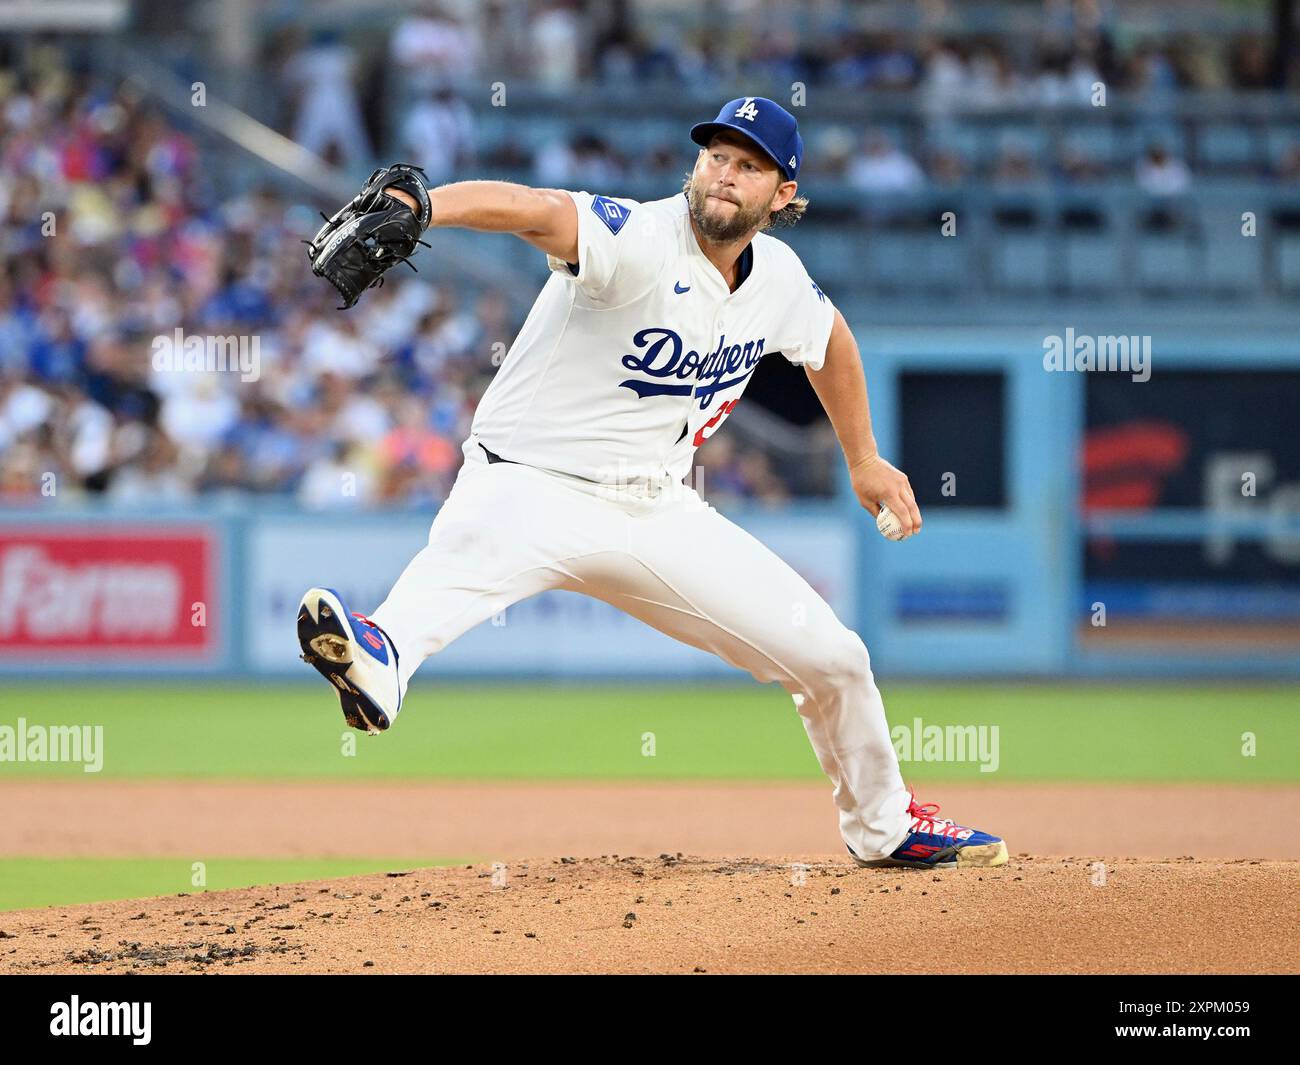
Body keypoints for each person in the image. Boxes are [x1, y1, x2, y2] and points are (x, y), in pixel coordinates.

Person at [296, 97, 1007, 870]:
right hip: (527, 483)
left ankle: (885, 825)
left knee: (835, 657)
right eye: (716, 157)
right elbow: (534, 211)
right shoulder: (639, 236)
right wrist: (425, 204)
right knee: (432, 596)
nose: (725, 174)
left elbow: (829, 342)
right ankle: (377, 658)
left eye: (749, 165)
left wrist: (863, 457)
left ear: (784, 196)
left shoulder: (780, 280)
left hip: (655, 506)